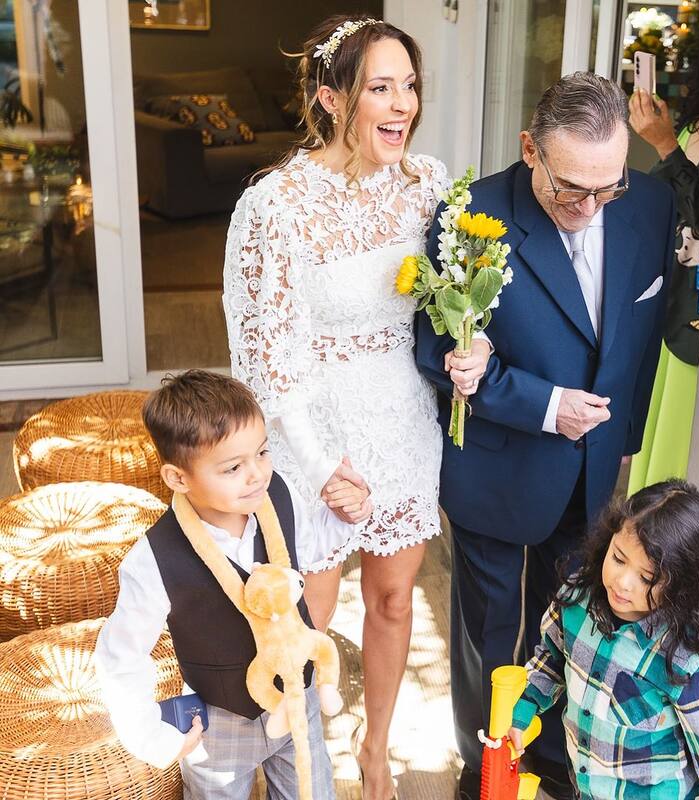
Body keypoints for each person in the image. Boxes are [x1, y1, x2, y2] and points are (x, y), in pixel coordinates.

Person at [416, 72, 676, 800]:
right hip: (497, 468)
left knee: (572, 627)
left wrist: (623, 437)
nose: (590, 209)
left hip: (593, 471)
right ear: (530, 148)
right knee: (494, 632)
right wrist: (546, 404)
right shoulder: (468, 218)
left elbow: (641, 336)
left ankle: (556, 763)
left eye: (607, 189)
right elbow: (436, 355)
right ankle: (488, 770)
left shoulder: (650, 203)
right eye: (571, 190)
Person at [223, 15, 446, 800]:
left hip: (403, 424)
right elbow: (264, 356)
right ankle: (302, 769)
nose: (402, 104)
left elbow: (450, 307)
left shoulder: (429, 185)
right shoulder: (276, 205)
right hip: (312, 437)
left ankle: (375, 749)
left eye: (409, 85)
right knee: (304, 623)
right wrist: (321, 467)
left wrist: (473, 344)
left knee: (393, 599)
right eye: (380, 87)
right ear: (332, 99)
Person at [95, 370, 350, 799]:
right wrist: (152, 735)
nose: (257, 475)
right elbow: (120, 656)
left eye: (262, 453)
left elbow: (309, 548)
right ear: (178, 478)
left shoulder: (277, 495)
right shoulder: (156, 558)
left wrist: (342, 516)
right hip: (221, 722)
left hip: (295, 696)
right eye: (233, 467)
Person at [508, 479, 699, 800]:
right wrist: (525, 706)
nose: (623, 582)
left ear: (683, 584)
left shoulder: (685, 659)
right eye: (618, 558)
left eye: (647, 577)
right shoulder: (577, 599)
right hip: (586, 787)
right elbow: (553, 657)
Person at [627, 0, 699, 493]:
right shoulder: (696, 122)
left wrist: (665, 146)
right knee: (649, 431)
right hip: (665, 293)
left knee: (676, 441)